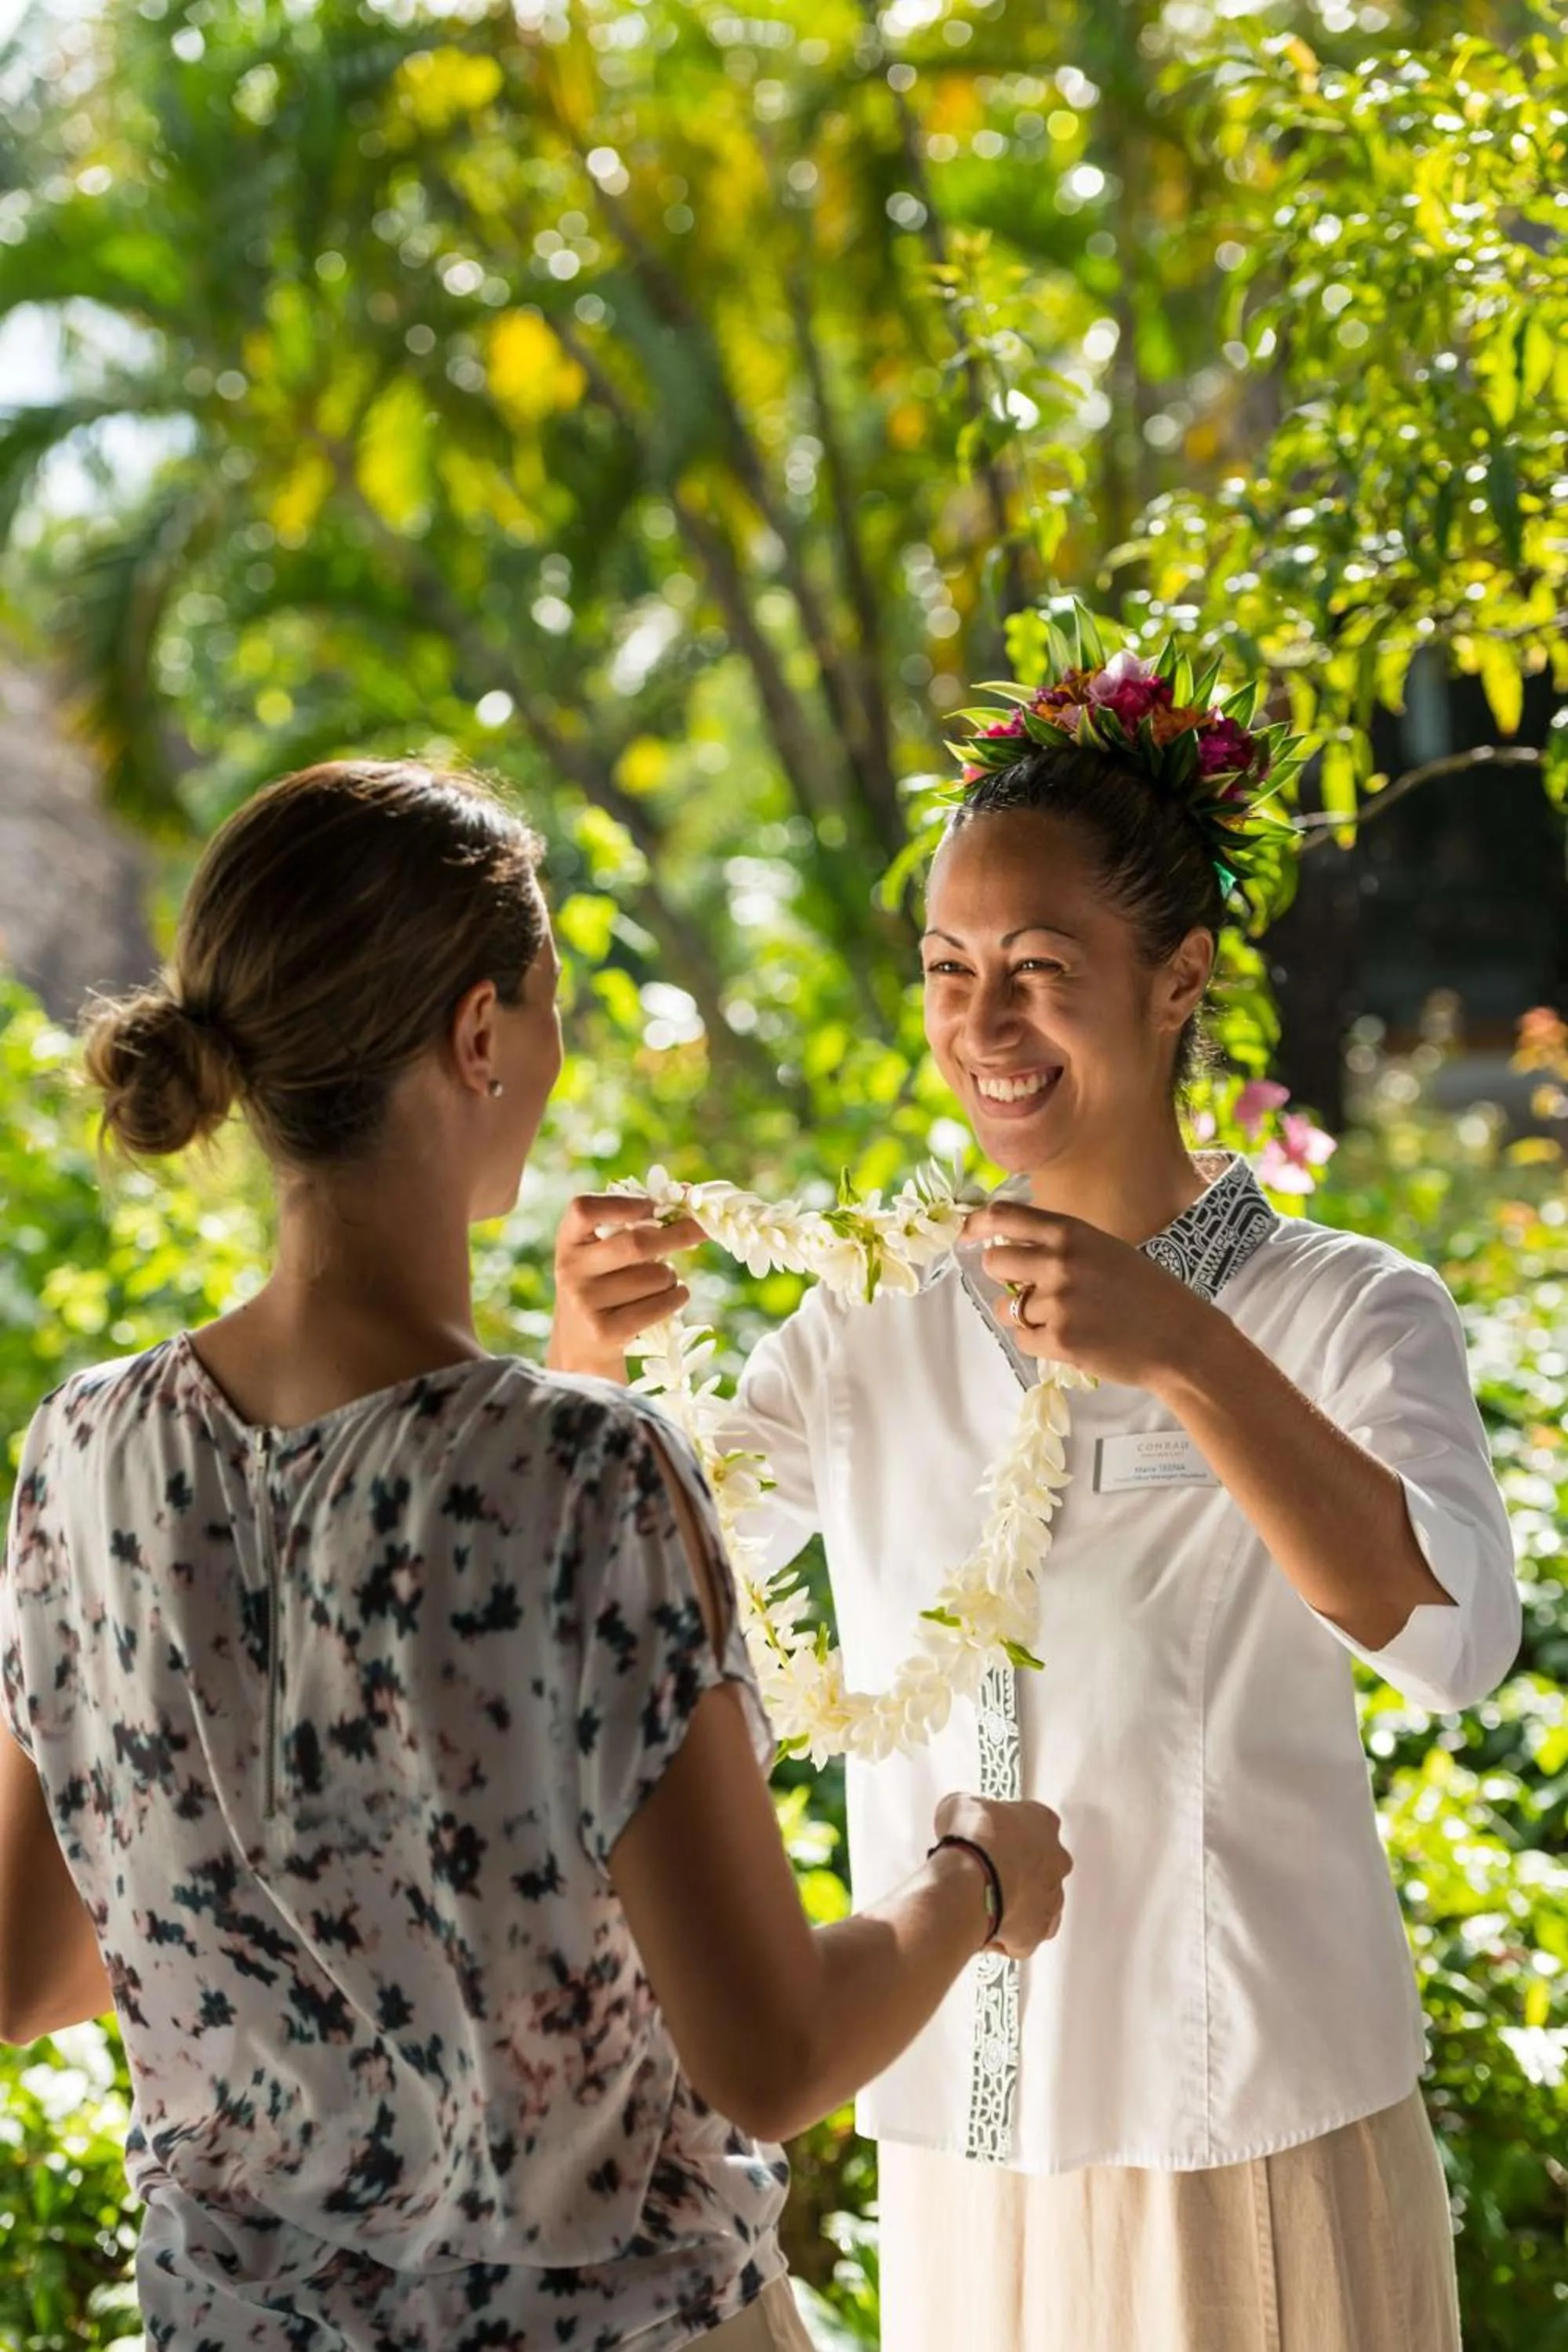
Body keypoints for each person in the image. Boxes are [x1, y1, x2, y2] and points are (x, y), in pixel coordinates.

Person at [0, 760, 1074, 2352]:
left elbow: (32, 1973)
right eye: (554, 1004)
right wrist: (976, 1882)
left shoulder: (84, 1454)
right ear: (481, 1034)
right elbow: (770, 2054)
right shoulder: (584, 1472)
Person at [550, 667, 1522, 2352]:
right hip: (961, 2147)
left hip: (1249, 2140)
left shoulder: (1349, 1312)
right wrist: (580, 1360)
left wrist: (1189, 1352)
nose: (984, 1027)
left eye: (1041, 975)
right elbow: (609, 1614)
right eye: (948, 974)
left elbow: (1459, 1646)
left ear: (1180, 984)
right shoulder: (865, 1319)